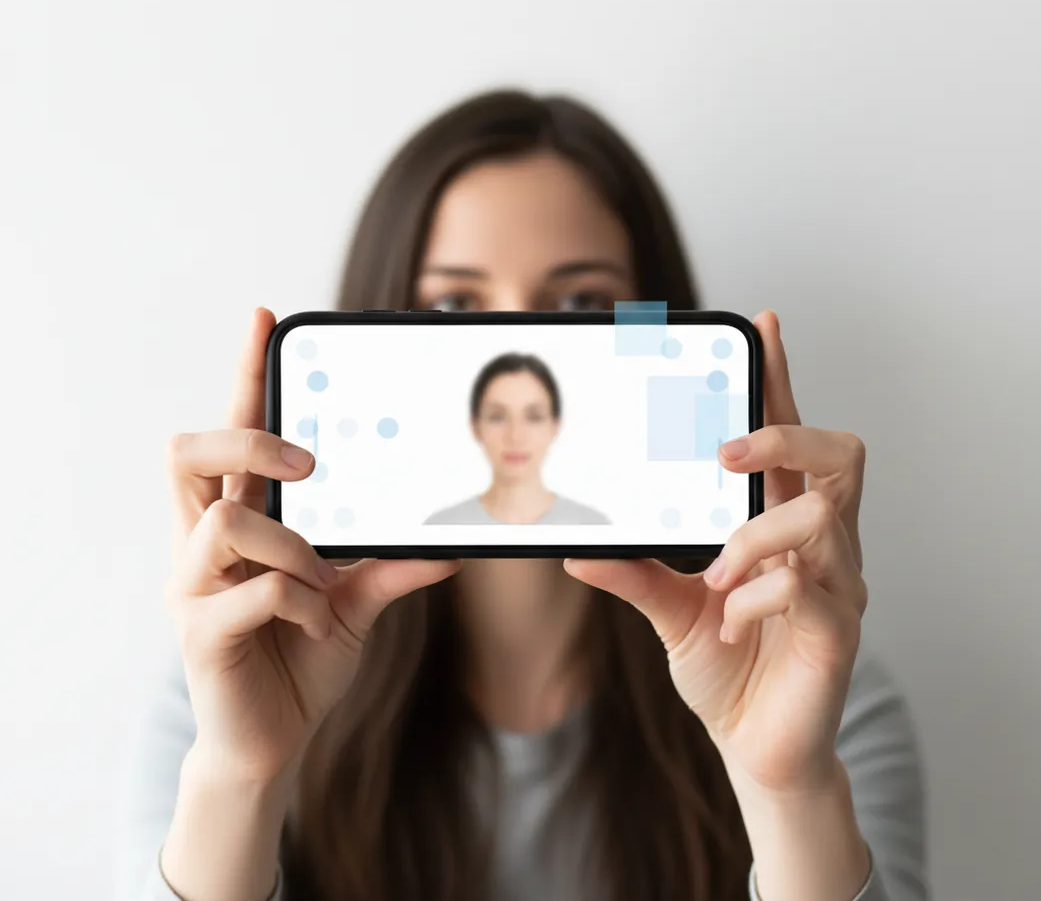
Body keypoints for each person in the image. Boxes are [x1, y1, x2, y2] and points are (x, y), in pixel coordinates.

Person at [116, 90, 928, 901]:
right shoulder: (226, 687)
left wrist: (788, 787)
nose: (513, 355)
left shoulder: (820, 691)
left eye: (581, 304)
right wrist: (241, 774)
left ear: (666, 331)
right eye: (454, 305)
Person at [424, 351, 610, 525]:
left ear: (555, 427)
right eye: (497, 417)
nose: (515, 436)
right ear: (475, 427)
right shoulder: (442, 528)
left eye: (534, 417)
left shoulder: (593, 527)